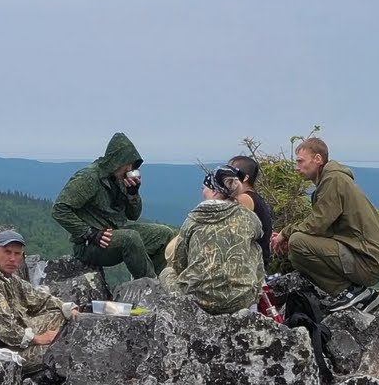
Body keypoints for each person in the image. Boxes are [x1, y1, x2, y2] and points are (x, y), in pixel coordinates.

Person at [270, 138, 379, 313]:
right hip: (365, 257)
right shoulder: (332, 179)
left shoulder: (333, 179)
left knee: (297, 242)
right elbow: (323, 228)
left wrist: (285, 233)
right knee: (296, 249)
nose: (297, 167)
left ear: (318, 159)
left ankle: (353, 292)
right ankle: (353, 293)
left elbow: (317, 224)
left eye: (301, 161)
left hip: (367, 261)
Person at [52, 132, 176, 279]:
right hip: (89, 245)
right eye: (128, 163)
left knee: (164, 235)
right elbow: (59, 209)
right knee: (130, 238)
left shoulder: (118, 178)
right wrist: (89, 233)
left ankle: (157, 280)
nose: (130, 169)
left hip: (114, 234)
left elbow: (133, 215)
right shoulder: (89, 177)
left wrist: (133, 193)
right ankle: (150, 286)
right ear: (118, 161)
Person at [0, 230, 77, 372]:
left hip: (11, 341)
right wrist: (38, 339)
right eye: (7, 252)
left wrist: (69, 309)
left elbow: (39, 298)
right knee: (60, 349)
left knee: (60, 316)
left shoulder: (8, 278)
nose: (12, 258)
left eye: (17, 254)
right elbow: (4, 328)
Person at [160, 166, 266, 315]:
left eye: (204, 188)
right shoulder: (249, 217)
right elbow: (259, 233)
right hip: (240, 300)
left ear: (215, 191)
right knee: (254, 247)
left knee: (167, 272)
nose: (203, 191)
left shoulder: (194, 219)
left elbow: (179, 263)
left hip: (197, 301)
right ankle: (252, 307)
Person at [228, 155, 275, 268]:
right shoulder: (254, 197)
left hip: (252, 263)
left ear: (245, 178)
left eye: (230, 173)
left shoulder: (244, 199)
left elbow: (230, 231)